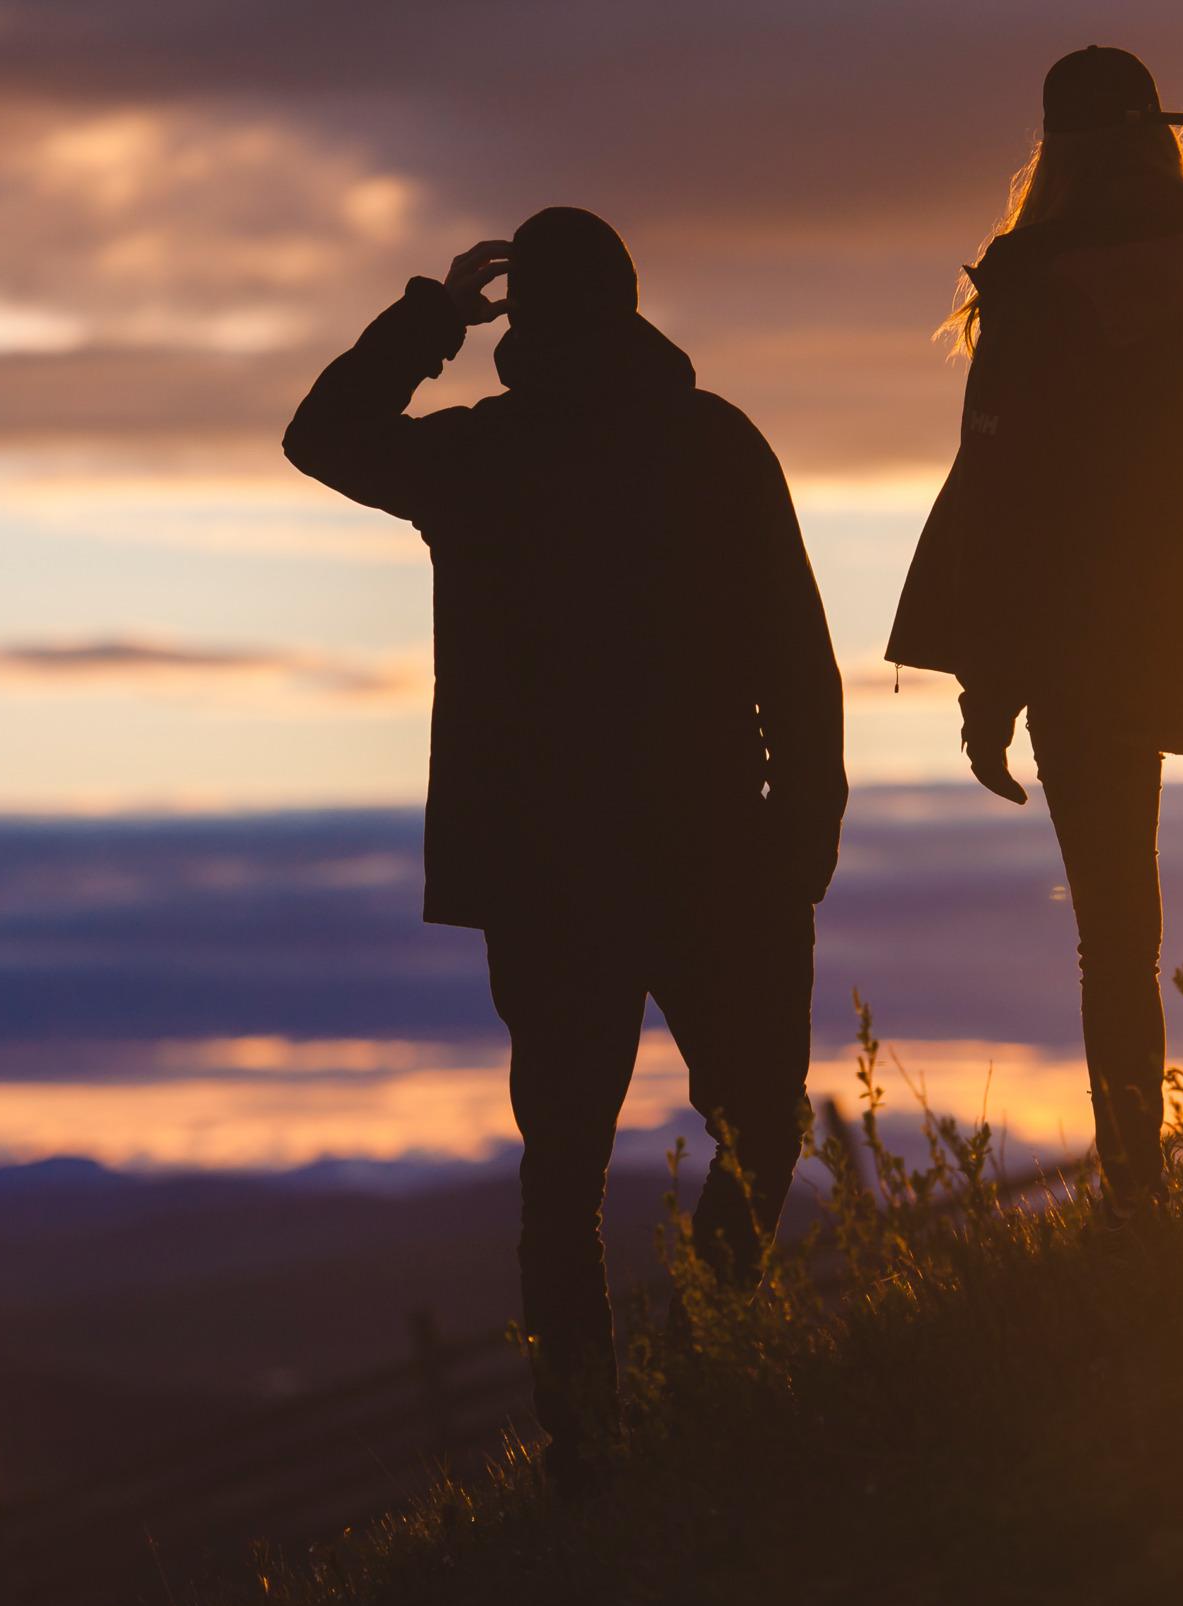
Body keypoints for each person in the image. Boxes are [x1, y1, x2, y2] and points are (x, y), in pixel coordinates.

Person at [283, 207, 847, 1490]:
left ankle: (593, 1435)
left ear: (519, 322)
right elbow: (795, 657)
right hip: (714, 844)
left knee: (567, 1164)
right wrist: (802, 833)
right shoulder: (710, 442)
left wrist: (434, 317)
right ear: (634, 304)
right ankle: (694, 1370)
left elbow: (320, 437)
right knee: (756, 1122)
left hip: (551, 867)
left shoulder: (486, 456)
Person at [886, 47, 1183, 1212]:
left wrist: (985, 689)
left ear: (1052, 159)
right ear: (1162, 140)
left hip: (1078, 661)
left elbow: (994, 504)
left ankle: (1135, 1188)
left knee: (1114, 940)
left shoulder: (1027, 300)